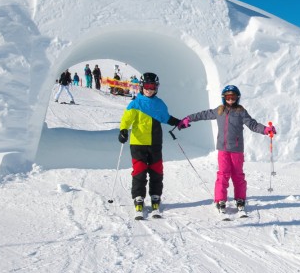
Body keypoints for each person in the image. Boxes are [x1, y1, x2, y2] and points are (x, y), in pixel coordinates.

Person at [177, 85, 275, 214]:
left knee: (238, 174)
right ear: (224, 98)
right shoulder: (219, 111)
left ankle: (240, 199)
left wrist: (265, 129)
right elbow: (203, 114)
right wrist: (188, 118)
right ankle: (220, 200)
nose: (230, 100)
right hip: (223, 149)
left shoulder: (241, 112)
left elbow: (252, 124)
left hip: (237, 149)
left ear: (237, 98)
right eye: (228, 97)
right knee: (223, 174)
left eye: (233, 97)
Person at [118, 72, 183, 218]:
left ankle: (155, 195)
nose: (149, 89)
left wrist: (178, 122)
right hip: (138, 143)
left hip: (155, 142)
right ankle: (138, 197)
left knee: (156, 171)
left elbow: (165, 117)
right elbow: (126, 119)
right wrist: (123, 130)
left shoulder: (159, 104)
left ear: (156, 87)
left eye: (152, 86)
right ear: (141, 86)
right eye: (147, 86)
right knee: (139, 171)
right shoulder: (135, 103)